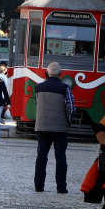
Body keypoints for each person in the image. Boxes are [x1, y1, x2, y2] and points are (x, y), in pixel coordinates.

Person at [33, 62, 74, 193]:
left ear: (47, 73)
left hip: (42, 126)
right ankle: (61, 187)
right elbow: (71, 108)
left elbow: (37, 103)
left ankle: (39, 186)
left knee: (41, 157)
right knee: (61, 157)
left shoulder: (38, 87)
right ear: (60, 74)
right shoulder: (65, 88)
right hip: (60, 128)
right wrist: (68, 121)